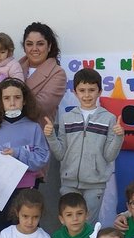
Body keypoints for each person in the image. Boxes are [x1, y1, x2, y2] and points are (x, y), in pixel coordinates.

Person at [44, 67, 124, 222]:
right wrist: (50, 136)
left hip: (95, 184)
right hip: (68, 182)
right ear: (75, 92)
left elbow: (109, 156)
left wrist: (119, 137)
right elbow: (60, 154)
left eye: (91, 90)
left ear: (100, 91)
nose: (87, 95)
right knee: (70, 225)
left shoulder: (109, 118)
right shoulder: (66, 117)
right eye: (82, 90)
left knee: (88, 225)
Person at [0, 79, 49, 238]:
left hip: (26, 191)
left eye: (17, 97)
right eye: (7, 98)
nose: (12, 102)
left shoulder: (33, 127)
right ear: (0, 101)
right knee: (0, 234)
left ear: (24, 100)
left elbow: (42, 159)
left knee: (28, 232)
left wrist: (19, 153)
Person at [18, 22, 68, 128]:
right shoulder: (14, 67)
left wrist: (6, 101)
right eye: (29, 44)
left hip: (37, 137)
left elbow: (41, 106)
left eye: (40, 44)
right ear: (24, 47)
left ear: (49, 46)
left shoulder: (58, 73)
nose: (34, 48)